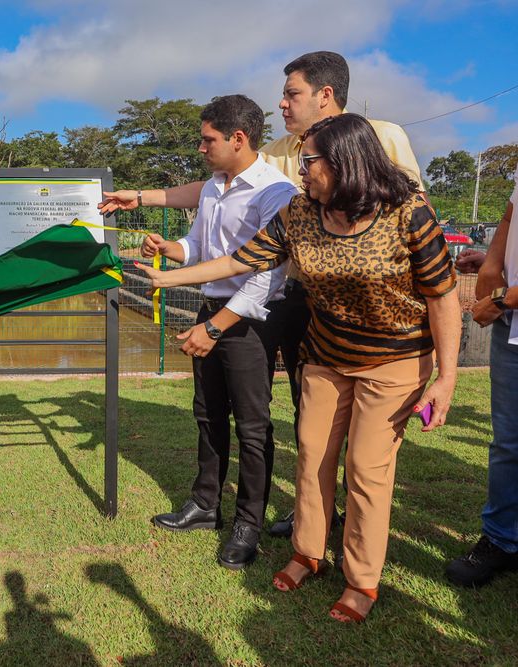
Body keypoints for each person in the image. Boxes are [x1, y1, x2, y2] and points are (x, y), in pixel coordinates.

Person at [139, 114, 459, 622]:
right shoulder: (300, 212)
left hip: (394, 361)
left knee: (365, 470)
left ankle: (361, 580)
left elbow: (443, 296)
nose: (300, 169)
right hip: (327, 356)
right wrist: (166, 277)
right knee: (311, 456)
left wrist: (445, 376)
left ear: (345, 162)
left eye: (308, 161)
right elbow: (240, 260)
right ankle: (309, 552)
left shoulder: (407, 212)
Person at [101, 50, 427, 540]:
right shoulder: (273, 156)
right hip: (278, 303)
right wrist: (167, 241)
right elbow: (231, 243)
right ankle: (259, 509)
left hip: (333, 315)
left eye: (292, 93)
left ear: (325, 95)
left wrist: (209, 316)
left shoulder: (377, 138)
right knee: (258, 414)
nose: (283, 104)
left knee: (319, 432)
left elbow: (407, 215)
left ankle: (279, 521)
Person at [136, 95, 297, 569]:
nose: (202, 148)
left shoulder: (276, 192)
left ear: (238, 139)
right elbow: (203, 247)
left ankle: (248, 522)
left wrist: (215, 326)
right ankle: (205, 504)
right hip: (211, 307)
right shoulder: (213, 186)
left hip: (249, 320)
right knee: (207, 413)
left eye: (208, 140)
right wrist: (172, 247)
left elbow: (270, 274)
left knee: (252, 426)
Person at [446, 168, 518, 587]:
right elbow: (510, 223)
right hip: (511, 324)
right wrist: (493, 263)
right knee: (508, 444)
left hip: (507, 307)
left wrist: (500, 296)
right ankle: (502, 540)